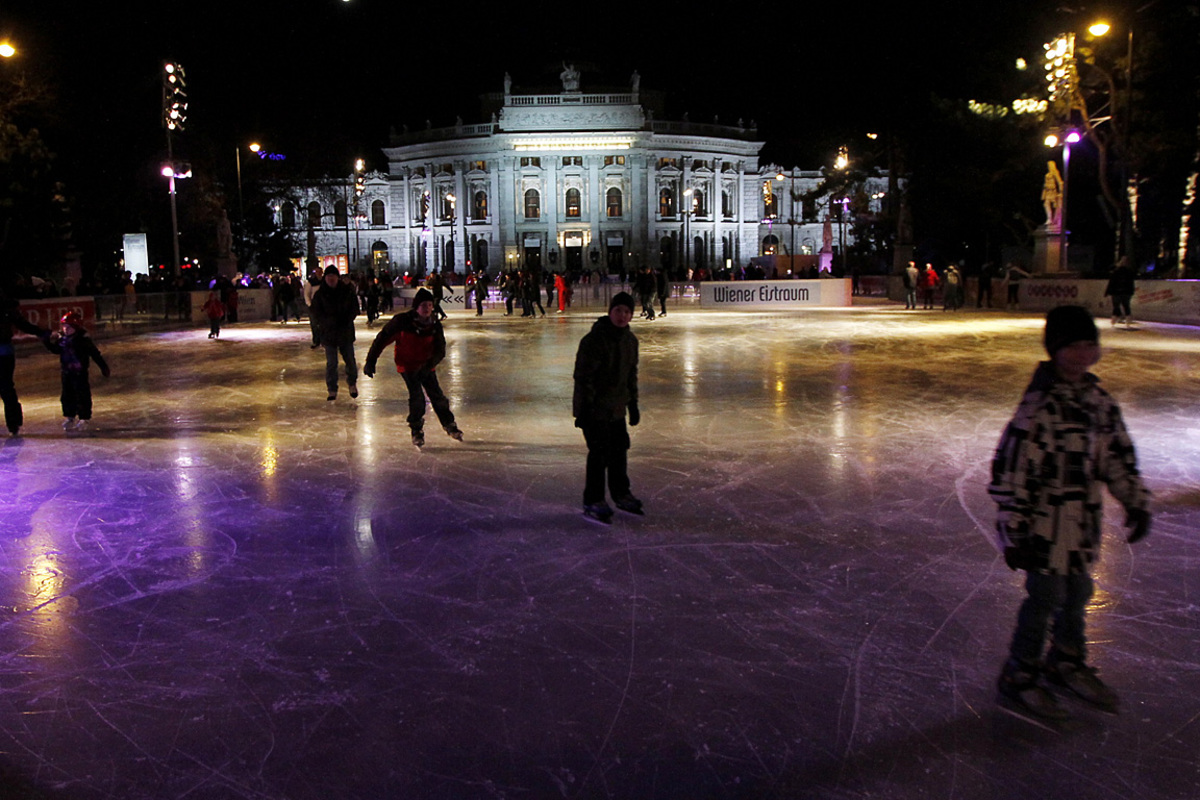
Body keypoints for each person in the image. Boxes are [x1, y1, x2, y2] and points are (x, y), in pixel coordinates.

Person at [989, 305, 1151, 720]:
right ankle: (1020, 671)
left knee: (1078, 593)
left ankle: (1066, 660)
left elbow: (1117, 457)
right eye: (1072, 346)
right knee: (1044, 597)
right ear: (1054, 351)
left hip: (1082, 526)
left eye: (1088, 346)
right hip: (1043, 530)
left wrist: (1134, 500)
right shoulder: (1039, 408)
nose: (1082, 354)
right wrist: (1013, 531)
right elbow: (1012, 473)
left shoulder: (1099, 402)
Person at [573, 291, 642, 523]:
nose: (622, 316)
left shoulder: (631, 342)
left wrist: (632, 404)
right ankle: (593, 498)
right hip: (594, 409)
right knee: (599, 454)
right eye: (618, 310)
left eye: (626, 312)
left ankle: (621, 493)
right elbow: (583, 378)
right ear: (610, 311)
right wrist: (583, 411)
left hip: (616, 409)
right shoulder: (593, 340)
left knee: (619, 450)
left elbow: (631, 375)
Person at [363, 287, 463, 448]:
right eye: (424, 305)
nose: (427, 308)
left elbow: (440, 349)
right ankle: (416, 429)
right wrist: (370, 361)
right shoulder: (402, 322)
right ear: (416, 307)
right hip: (407, 366)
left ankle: (449, 424)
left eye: (430, 305)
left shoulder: (435, 325)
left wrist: (430, 364)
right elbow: (382, 339)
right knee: (417, 398)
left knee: (437, 395)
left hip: (426, 365)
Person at [43, 311, 110, 432]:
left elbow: (95, 354)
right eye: (64, 326)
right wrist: (46, 341)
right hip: (66, 372)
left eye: (68, 327)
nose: (65, 329)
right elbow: (56, 350)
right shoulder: (62, 340)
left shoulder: (83, 340)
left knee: (82, 395)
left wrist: (103, 367)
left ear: (76, 327)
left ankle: (84, 417)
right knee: (67, 396)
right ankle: (70, 416)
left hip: (80, 373)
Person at [0, 289, 50, 436]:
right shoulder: (6, 305)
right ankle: (14, 422)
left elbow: (22, 324)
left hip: (4, 351)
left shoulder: (6, 306)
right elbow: (22, 324)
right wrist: (40, 332)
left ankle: (14, 423)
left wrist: (40, 332)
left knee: (6, 387)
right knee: (7, 387)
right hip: (5, 352)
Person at [309, 265, 360, 401]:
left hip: (345, 332)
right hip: (329, 333)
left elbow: (354, 308)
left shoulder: (347, 292)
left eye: (333, 276)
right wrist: (325, 323)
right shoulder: (320, 294)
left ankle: (352, 383)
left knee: (350, 360)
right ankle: (332, 389)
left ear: (338, 278)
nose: (331, 279)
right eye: (328, 277)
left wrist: (346, 320)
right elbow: (316, 312)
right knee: (332, 363)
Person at [1104, 258, 1136, 327]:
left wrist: (1107, 292)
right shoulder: (1130, 272)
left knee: (1116, 306)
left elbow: (1111, 283)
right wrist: (1131, 291)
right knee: (1126, 306)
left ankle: (1114, 319)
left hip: (1116, 292)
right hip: (1126, 292)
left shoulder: (1116, 272)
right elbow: (1131, 283)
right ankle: (1127, 320)